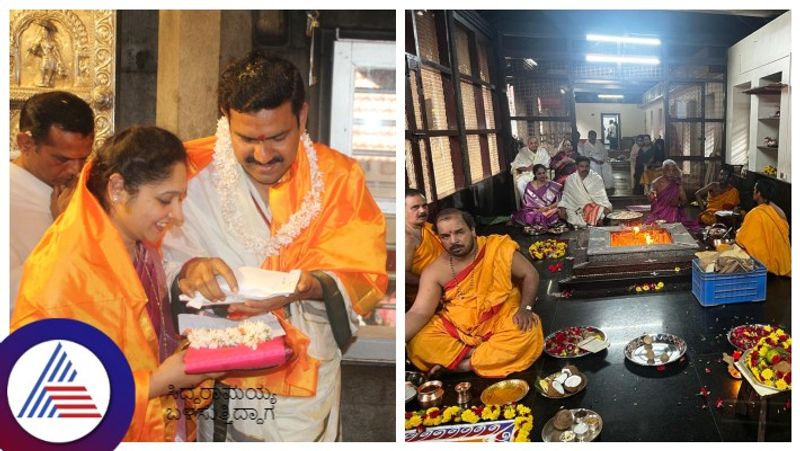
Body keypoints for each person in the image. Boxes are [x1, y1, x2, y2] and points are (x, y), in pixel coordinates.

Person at [161, 51, 387, 441]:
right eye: (247, 139)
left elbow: (363, 278)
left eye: (279, 137)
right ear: (224, 120)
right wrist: (186, 270)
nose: (263, 155)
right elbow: (148, 261)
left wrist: (309, 287)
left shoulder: (338, 179)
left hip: (304, 376)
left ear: (302, 116)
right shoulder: (188, 175)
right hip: (219, 370)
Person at [12, 126, 220, 441]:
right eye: (166, 200)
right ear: (118, 188)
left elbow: (153, 339)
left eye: (181, 200)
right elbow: (44, 398)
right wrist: (155, 383)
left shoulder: (140, 245)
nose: (177, 215)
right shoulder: (64, 271)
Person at [405, 209, 543, 377]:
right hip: (459, 326)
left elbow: (530, 274)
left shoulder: (495, 247)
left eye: (459, 232)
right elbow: (419, 312)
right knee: (418, 343)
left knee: (526, 331)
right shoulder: (435, 270)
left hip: (501, 317)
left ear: (472, 230)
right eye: (445, 236)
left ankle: (462, 365)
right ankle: (486, 354)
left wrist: (526, 308)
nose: (453, 241)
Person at [10, 91, 94, 312]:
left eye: (83, 159)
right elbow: (10, 296)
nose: (76, 170)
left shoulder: (88, 188)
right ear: (25, 143)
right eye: (61, 159)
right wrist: (64, 229)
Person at [736, 180, 790, 276]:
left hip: (768, 262)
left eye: (754, 190)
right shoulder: (780, 211)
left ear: (759, 193)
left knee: (734, 250)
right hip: (784, 260)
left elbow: (742, 239)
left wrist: (739, 232)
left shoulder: (755, 213)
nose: (753, 192)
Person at [645, 160, 699, 233]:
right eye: (667, 170)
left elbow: (685, 200)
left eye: (673, 171)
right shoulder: (656, 182)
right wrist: (651, 195)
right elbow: (651, 195)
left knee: (674, 226)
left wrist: (678, 203)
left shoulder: (677, 182)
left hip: (673, 212)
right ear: (663, 170)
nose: (670, 173)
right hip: (658, 213)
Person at [558, 156, 612, 228]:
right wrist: (563, 207)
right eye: (582, 166)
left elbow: (602, 196)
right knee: (568, 212)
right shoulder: (570, 179)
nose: (584, 169)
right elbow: (566, 196)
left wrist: (606, 206)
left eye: (587, 166)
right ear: (577, 167)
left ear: (590, 166)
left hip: (593, 205)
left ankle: (596, 228)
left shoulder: (596, 178)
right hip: (576, 206)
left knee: (601, 211)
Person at [405, 188, 442, 285]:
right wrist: (432, 284)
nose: (422, 211)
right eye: (415, 207)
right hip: (428, 290)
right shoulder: (406, 238)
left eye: (424, 206)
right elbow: (404, 275)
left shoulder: (428, 226)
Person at [510, 135, 551, 205]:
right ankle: (527, 204)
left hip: (540, 174)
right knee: (520, 183)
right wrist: (526, 168)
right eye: (531, 143)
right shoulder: (523, 152)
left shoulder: (542, 151)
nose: (534, 145)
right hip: (527, 174)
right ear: (528, 144)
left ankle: (541, 204)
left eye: (535, 143)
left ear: (538, 143)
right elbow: (516, 165)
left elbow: (548, 163)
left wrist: (538, 168)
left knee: (544, 182)